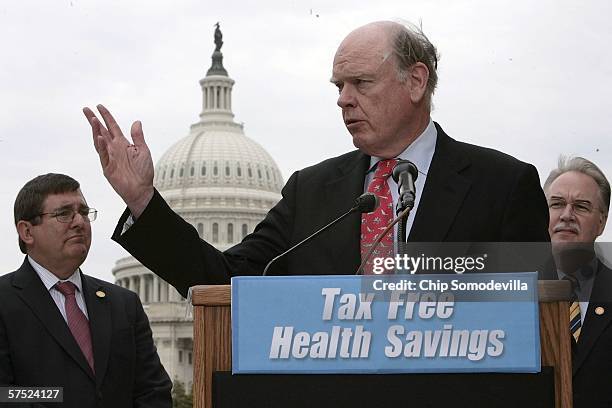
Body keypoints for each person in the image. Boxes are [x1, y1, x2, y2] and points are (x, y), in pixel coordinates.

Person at [82, 20, 549, 297]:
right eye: (337, 87)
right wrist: (143, 198)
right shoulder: (311, 192)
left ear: (415, 81)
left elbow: (536, 320)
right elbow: (224, 281)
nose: (343, 100)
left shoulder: (502, 186)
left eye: (360, 84)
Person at [0, 174, 172, 408]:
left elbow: (153, 391)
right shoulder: (5, 301)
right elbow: (5, 395)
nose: (79, 222)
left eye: (83, 212)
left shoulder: (124, 304)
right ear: (27, 232)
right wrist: (55, 396)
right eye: (64, 214)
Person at [543, 157, 611, 408]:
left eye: (581, 206)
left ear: (601, 222)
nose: (567, 215)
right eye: (557, 204)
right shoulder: (512, 295)